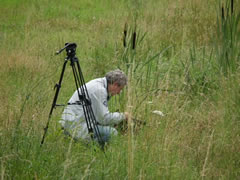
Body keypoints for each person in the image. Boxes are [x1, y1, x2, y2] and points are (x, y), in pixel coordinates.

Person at [59, 69, 128, 144]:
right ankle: (91, 147)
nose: (119, 93)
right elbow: (103, 118)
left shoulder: (98, 83)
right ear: (115, 84)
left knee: (111, 125)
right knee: (112, 132)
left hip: (72, 122)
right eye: (120, 89)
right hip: (76, 126)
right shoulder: (100, 90)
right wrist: (123, 116)